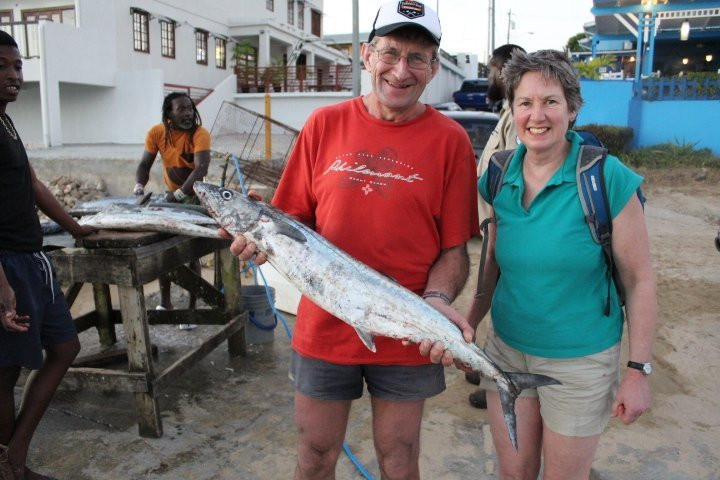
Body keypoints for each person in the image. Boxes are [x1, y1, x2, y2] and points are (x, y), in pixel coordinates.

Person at [223, 2, 479, 478]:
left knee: (399, 458)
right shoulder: (323, 125)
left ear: (433, 68)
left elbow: (453, 250)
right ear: (366, 55)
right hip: (324, 327)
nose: (401, 70)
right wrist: (257, 234)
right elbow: (289, 225)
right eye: (390, 52)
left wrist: (438, 300)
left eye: (417, 57)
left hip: (409, 332)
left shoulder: (452, 141)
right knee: (316, 456)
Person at [466, 49, 656, 479]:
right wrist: (470, 323)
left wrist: (638, 371)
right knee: (513, 474)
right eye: (525, 102)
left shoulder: (607, 178)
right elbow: (492, 260)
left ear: (572, 109)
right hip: (507, 352)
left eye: (551, 101)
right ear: (511, 109)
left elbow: (640, 280)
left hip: (580, 363)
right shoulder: (497, 173)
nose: (538, 114)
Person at [0, 31, 96, 480]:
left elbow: (34, 183)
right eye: (1, 66)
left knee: (65, 346)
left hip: (31, 257)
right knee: (5, 372)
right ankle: (9, 465)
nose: (13, 75)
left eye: (17, 66)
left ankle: (13, 456)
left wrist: (76, 226)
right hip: (5, 265)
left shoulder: (5, 121)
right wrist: (2, 287)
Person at [466, 43, 526, 410]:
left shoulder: (518, 118)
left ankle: (497, 379)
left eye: (491, 70)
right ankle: (484, 366)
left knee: (499, 301)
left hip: (507, 227)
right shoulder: (506, 112)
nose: (488, 77)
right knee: (489, 295)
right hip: (494, 223)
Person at [134, 92, 210, 324]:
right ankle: (165, 302)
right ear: (169, 113)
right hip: (170, 197)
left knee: (190, 253)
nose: (188, 113)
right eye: (181, 109)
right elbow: (145, 164)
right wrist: (138, 186)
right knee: (164, 251)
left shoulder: (199, 133)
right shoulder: (157, 133)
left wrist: (178, 194)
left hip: (192, 197)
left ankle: (191, 309)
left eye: (190, 108)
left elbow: (201, 169)